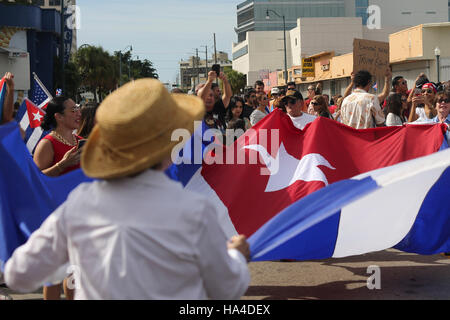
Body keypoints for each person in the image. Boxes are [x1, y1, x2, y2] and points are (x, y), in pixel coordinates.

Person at [4, 78, 251, 300]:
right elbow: (226, 288)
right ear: (168, 148)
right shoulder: (194, 211)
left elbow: (18, 275)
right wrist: (236, 255)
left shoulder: (80, 205)